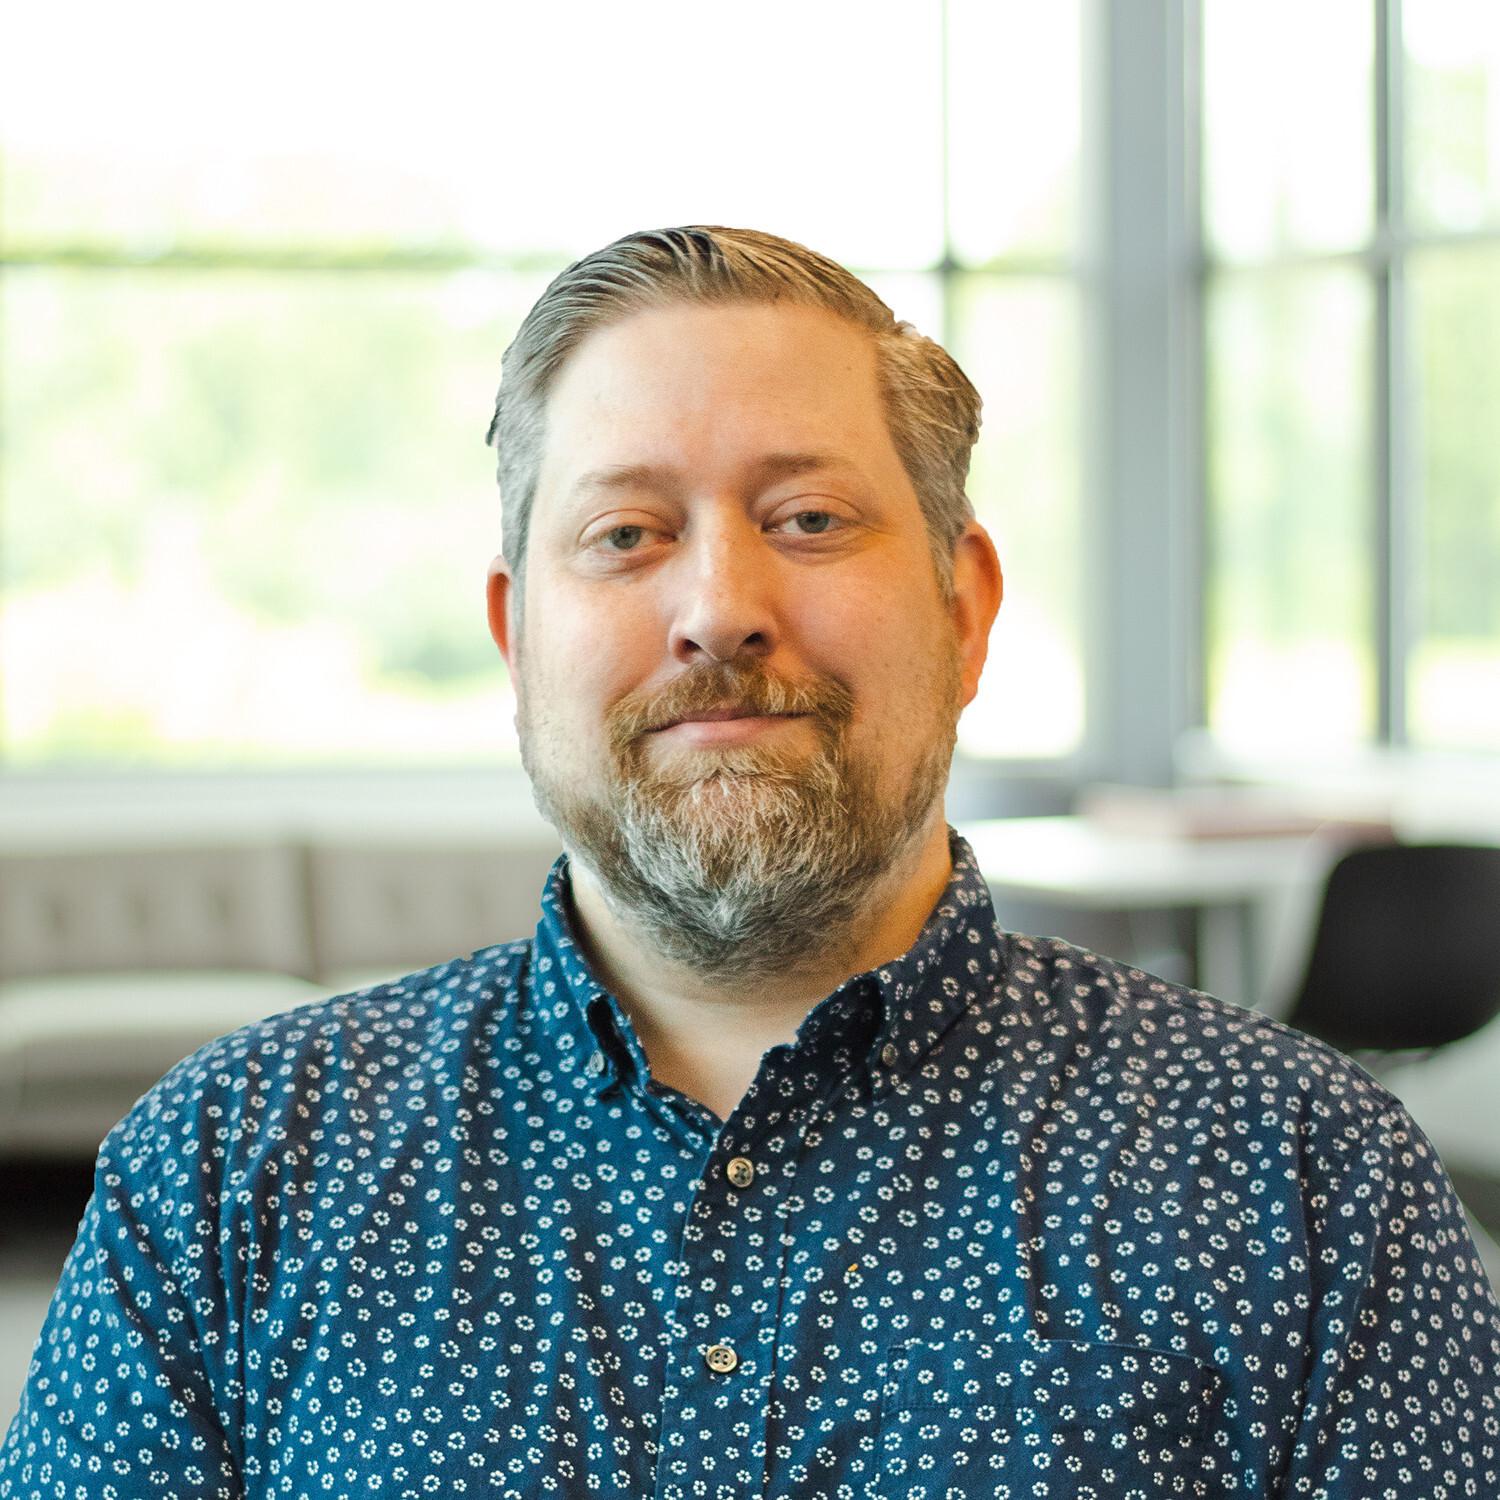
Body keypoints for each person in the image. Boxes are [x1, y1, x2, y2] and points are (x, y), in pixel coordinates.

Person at [2, 226, 1497, 1500]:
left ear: (964, 609)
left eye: (809, 518)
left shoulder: (1305, 1185)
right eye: (628, 532)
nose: (720, 606)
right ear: (521, 638)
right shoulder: (228, 1174)